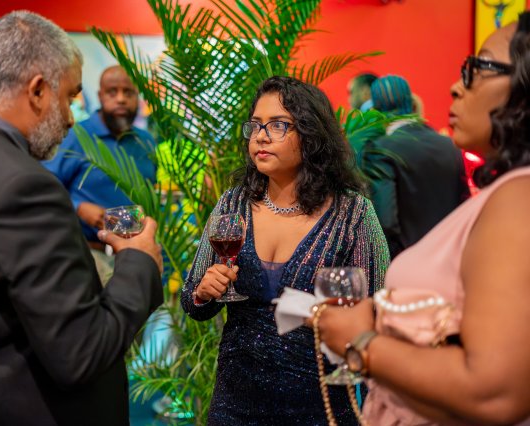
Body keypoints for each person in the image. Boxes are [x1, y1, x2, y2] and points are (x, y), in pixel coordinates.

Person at [0, 11, 163, 426]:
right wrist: (139, 261)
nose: (71, 117)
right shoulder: (24, 187)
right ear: (37, 90)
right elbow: (83, 352)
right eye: (69, 97)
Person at [315, 12, 530, 425]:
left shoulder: (517, 197)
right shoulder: (451, 151)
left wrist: (361, 341)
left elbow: (493, 391)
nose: (456, 85)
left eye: (478, 67)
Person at [180, 76, 390, 424]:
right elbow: (192, 301)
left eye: (278, 125)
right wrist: (204, 292)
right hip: (235, 404)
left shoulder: (352, 213)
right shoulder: (233, 204)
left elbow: (378, 318)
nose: (261, 136)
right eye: (256, 125)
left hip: (320, 405)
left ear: (310, 134)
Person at [43, 65, 156, 285]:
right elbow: (43, 186)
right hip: (88, 257)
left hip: (136, 257)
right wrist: (77, 207)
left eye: (128, 92)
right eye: (112, 92)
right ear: (100, 96)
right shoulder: (76, 136)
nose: (121, 99)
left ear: (138, 96)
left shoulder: (145, 141)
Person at [363, 75, 470, 258]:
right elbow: (464, 206)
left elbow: (385, 222)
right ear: (410, 103)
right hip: (451, 257)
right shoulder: (450, 145)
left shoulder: (380, 149)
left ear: (376, 109)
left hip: (406, 262)